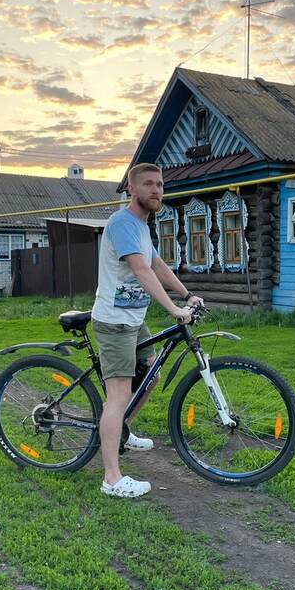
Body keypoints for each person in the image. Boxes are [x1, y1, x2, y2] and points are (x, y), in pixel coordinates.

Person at [92, 162, 204, 498]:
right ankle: (111, 479)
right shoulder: (122, 223)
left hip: (134, 320)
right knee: (118, 395)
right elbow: (141, 271)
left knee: (151, 376)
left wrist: (187, 295)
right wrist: (174, 310)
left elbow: (157, 265)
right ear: (131, 188)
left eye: (160, 185)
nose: (156, 190)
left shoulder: (141, 226)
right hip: (114, 322)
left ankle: (122, 430)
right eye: (149, 184)